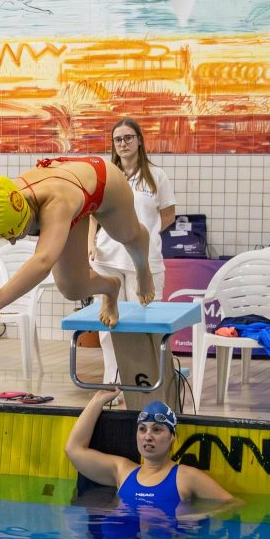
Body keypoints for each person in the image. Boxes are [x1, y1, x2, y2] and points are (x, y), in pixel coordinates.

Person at [0, 155, 154, 337]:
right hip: (72, 191)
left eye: (17, 234)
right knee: (72, 288)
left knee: (128, 236)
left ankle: (143, 269)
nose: (12, 242)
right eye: (6, 237)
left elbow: (43, 261)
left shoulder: (56, 203)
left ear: (29, 214)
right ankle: (111, 287)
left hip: (102, 182)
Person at [89, 118, 177, 403]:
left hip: (144, 263)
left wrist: (143, 236)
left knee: (146, 326)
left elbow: (168, 215)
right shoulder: (108, 175)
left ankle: (150, 388)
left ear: (139, 140)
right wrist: (91, 242)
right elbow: (93, 214)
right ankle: (112, 386)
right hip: (108, 258)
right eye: (118, 139)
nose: (123, 143)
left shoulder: (156, 176)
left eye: (128, 137)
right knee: (108, 329)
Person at [65, 391, 237, 515]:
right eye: (142, 429)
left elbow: (233, 503)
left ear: (172, 437)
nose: (147, 436)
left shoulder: (186, 476)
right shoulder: (122, 470)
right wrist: (97, 400)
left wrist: (198, 516)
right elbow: (73, 449)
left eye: (157, 430)